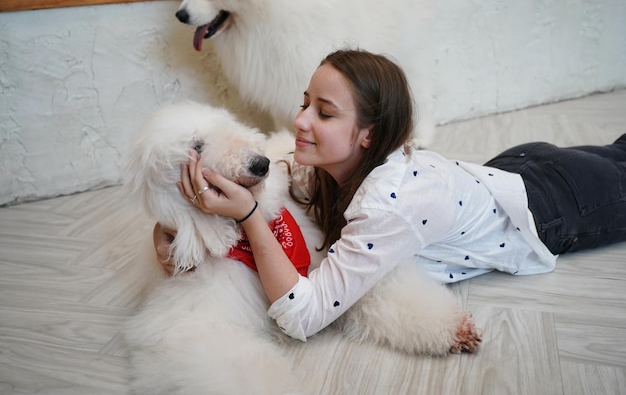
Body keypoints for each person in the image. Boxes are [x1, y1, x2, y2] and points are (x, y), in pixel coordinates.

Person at [154, 49, 626, 342]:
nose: (299, 121)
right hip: (513, 170)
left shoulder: (387, 206)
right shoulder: (332, 164)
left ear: (367, 134)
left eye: (324, 112)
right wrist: (176, 224)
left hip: (557, 207)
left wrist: (251, 217)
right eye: (304, 103)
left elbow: (303, 317)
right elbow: (278, 178)